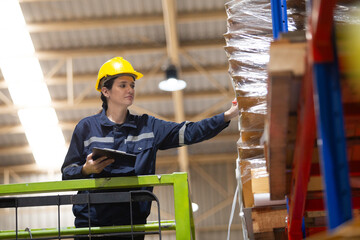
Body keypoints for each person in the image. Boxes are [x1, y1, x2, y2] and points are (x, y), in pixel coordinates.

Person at [61, 57, 239, 239]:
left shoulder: (148, 127)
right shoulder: (86, 128)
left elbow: (189, 132)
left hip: (131, 225)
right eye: (123, 85)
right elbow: (67, 172)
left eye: (132, 85)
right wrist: (85, 169)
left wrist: (226, 116)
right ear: (105, 91)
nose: (130, 90)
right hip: (91, 227)